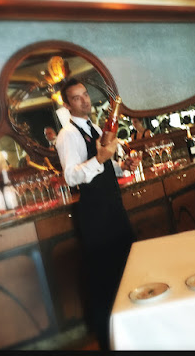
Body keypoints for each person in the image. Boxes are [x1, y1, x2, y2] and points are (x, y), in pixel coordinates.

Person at [55, 78, 138, 350]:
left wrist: (123, 166)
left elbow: (105, 167)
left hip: (113, 207)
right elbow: (70, 176)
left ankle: (131, 330)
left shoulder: (96, 128)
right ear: (67, 105)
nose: (85, 100)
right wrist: (100, 159)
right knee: (104, 280)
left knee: (126, 267)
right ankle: (109, 340)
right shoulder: (67, 135)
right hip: (94, 214)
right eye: (77, 98)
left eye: (85, 94)